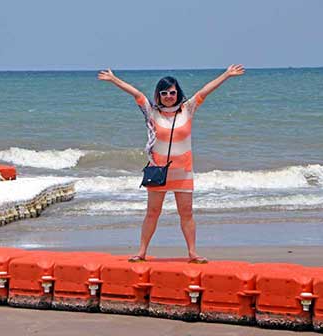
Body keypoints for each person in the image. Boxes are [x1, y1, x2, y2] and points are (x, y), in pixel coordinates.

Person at [98, 65, 245, 263]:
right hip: (159, 172)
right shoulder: (151, 112)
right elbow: (136, 93)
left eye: (172, 92)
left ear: (178, 93)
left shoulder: (188, 109)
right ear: (158, 95)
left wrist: (226, 75)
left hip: (183, 172)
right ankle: (141, 252)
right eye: (164, 92)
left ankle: (193, 253)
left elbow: (205, 91)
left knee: (186, 213)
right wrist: (114, 79)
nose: (169, 96)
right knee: (152, 213)